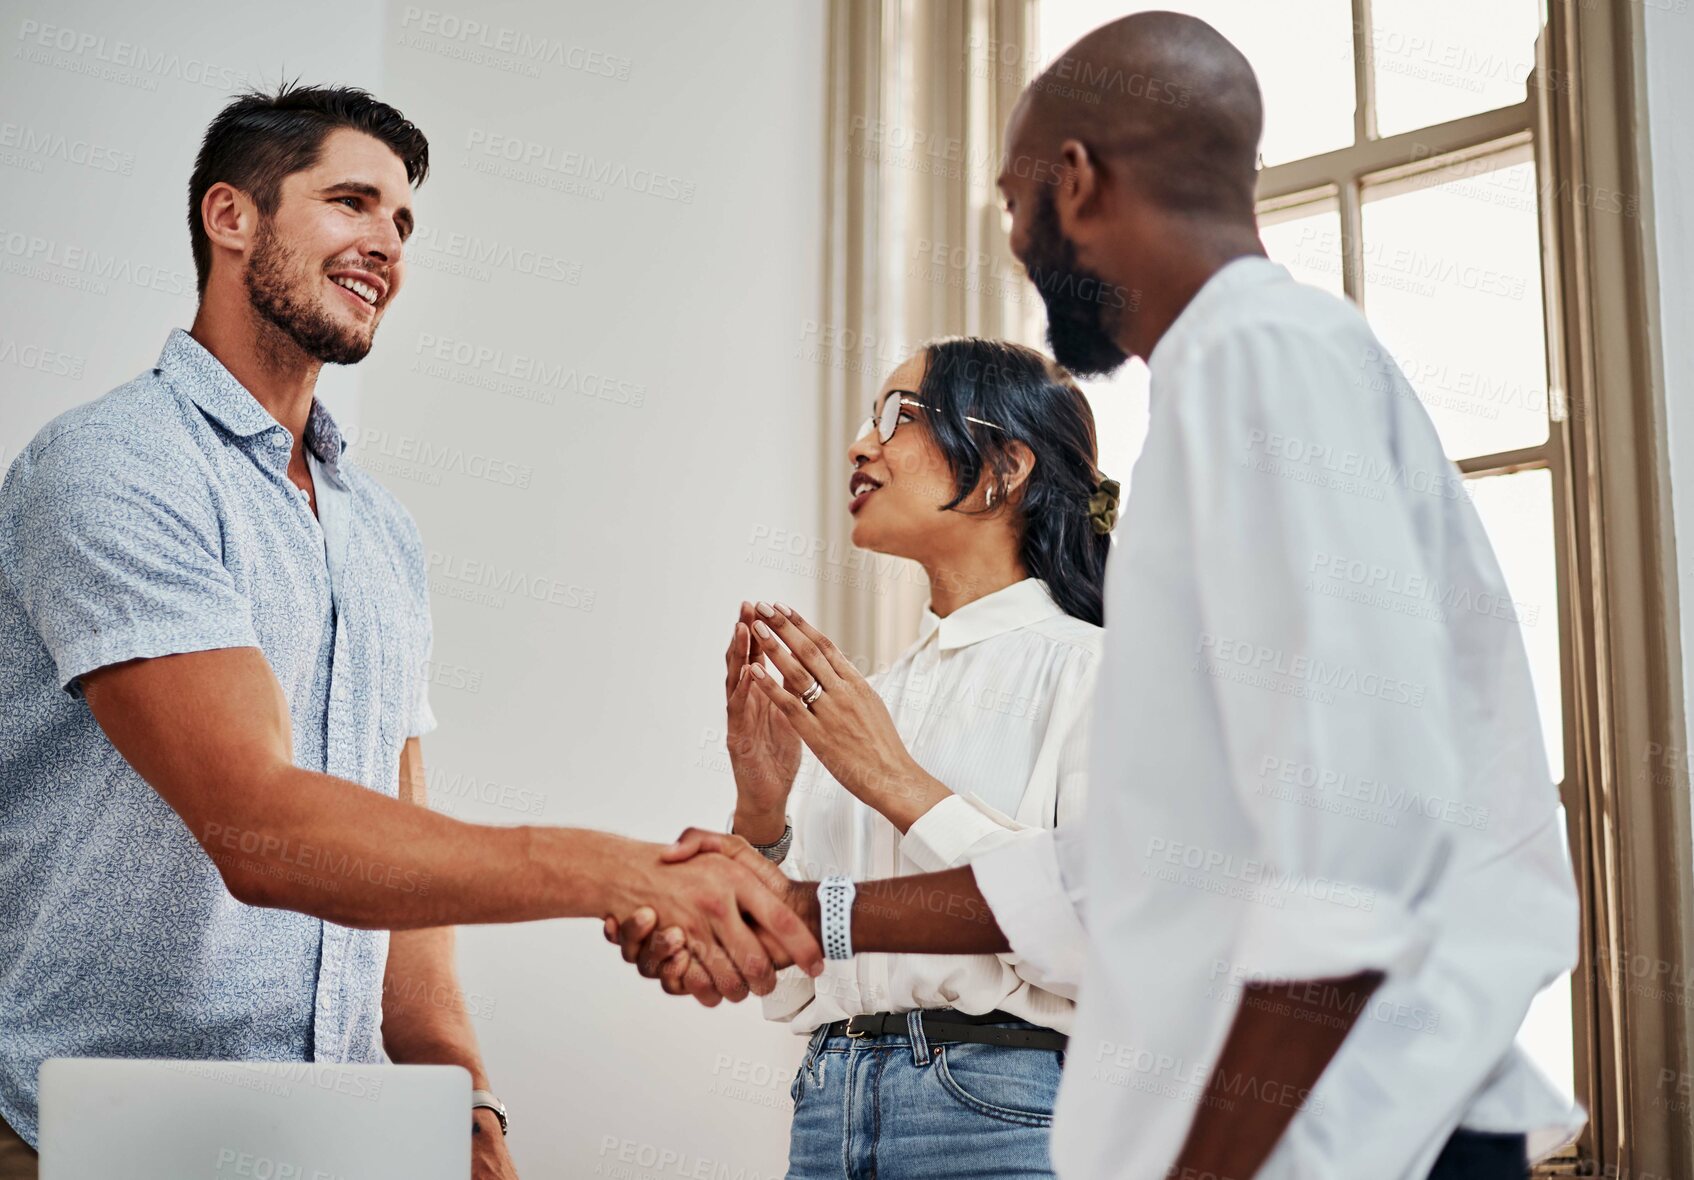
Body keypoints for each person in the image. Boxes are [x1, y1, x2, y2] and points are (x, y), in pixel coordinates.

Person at [616, 13, 1581, 1180]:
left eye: (1014, 203)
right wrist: (781, 887)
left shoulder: (1255, 372)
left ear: (1073, 181)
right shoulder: (1232, 389)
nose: (1018, 243)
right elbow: (1121, 878)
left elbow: (1341, 859)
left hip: (1341, 1129)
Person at [0, 83, 817, 1179]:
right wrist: (626, 871)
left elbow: (396, 839)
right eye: (351, 202)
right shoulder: (113, 467)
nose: (385, 242)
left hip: (333, 1139)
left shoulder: (379, 531)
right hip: (87, 1134)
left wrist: (463, 1097)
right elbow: (257, 824)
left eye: (402, 222)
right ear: (230, 217)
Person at [616, 338, 1115, 1177]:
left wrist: (898, 785)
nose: (859, 444)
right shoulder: (865, 700)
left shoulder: (1101, 672)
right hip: (825, 1111)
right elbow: (792, 989)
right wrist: (762, 815)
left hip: (1005, 1118)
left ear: (1003, 464)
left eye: (897, 417)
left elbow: (1107, 939)